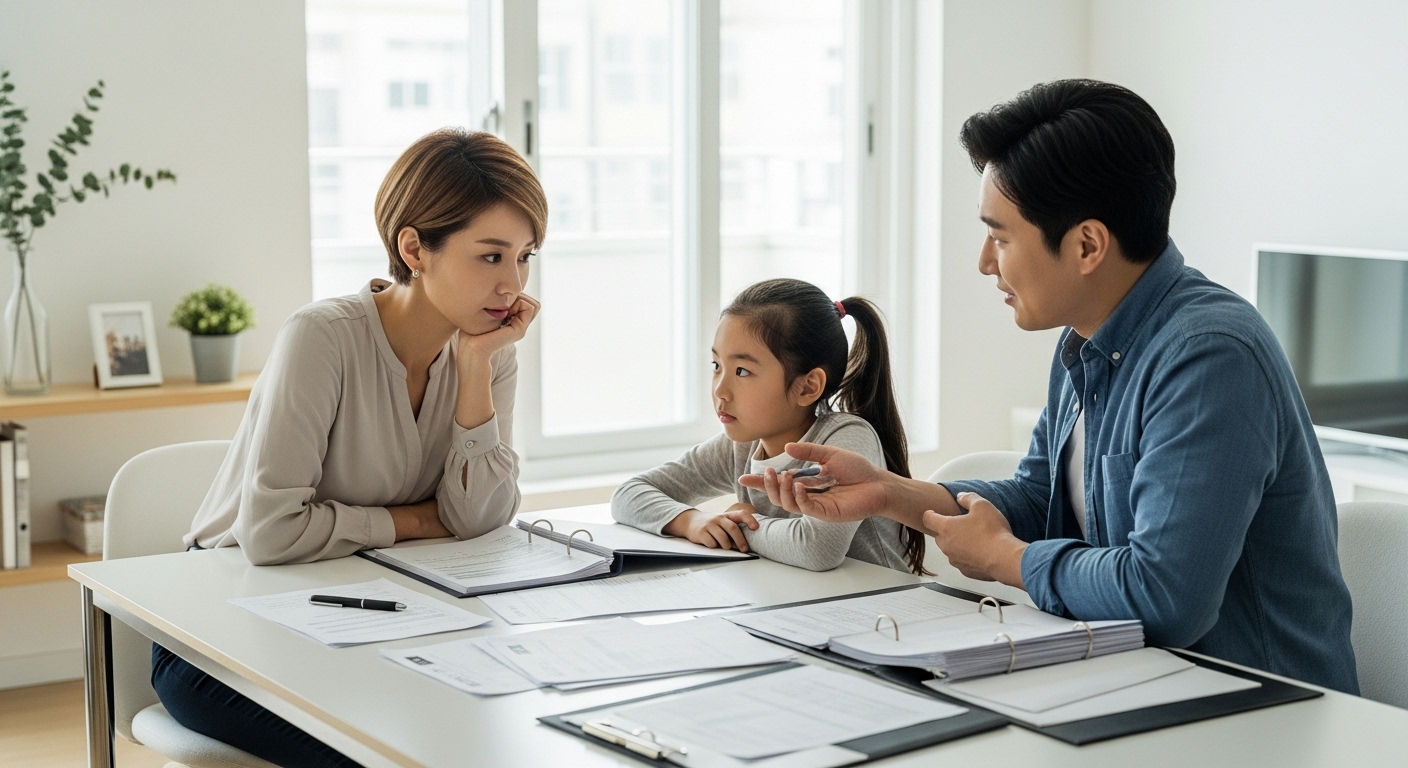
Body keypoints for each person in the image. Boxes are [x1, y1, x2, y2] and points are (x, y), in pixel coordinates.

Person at [742, 79, 1359, 693]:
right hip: (1135, 679)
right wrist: (885, 492)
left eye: (1000, 237)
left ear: (1087, 245)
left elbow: (1168, 598)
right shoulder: (1084, 340)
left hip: (1258, 704)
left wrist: (1006, 559)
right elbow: (1042, 500)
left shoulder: (1210, 357)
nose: (985, 262)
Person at [153, 128, 547, 767]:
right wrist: (419, 520)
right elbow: (272, 534)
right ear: (414, 249)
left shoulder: (489, 350)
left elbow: (479, 520)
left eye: (525, 256)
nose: (513, 285)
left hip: (378, 621)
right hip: (222, 636)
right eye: (491, 256)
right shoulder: (322, 338)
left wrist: (475, 368)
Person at [613, 278, 927, 574]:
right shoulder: (740, 446)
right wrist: (690, 521)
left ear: (807, 387)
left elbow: (817, 550)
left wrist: (742, 524)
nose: (720, 390)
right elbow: (629, 494)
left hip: (881, 605)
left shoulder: (845, 440)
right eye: (716, 366)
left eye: (742, 371)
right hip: (798, 602)